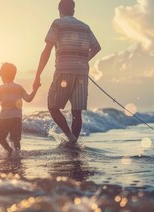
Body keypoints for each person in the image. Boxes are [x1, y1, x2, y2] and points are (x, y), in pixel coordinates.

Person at [33, 0, 101, 146]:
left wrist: (37, 75)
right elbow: (96, 47)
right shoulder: (85, 26)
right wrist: (84, 60)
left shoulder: (57, 23)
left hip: (63, 70)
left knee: (52, 106)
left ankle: (70, 138)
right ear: (73, 10)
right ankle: (73, 144)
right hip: (81, 73)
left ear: (59, 10)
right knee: (77, 111)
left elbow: (47, 50)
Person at [0, 62, 39, 158]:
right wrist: (35, 89)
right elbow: (29, 99)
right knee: (16, 139)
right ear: (14, 75)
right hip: (17, 117)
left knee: (0, 137)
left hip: (5, 117)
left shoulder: (0, 88)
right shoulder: (19, 87)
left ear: (2, 75)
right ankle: (17, 155)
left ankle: (9, 151)